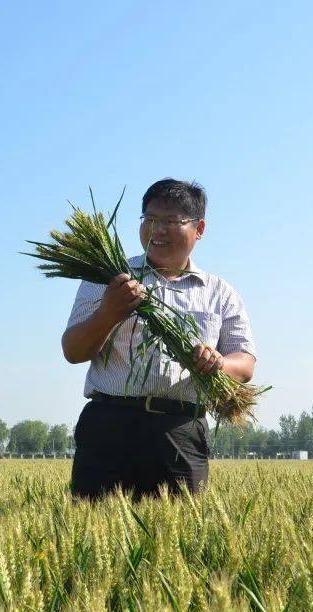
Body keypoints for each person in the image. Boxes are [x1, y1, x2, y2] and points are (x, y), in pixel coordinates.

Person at [62, 178, 257, 499]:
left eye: (170, 221)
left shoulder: (220, 294)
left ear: (199, 228)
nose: (157, 230)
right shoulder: (108, 277)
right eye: (149, 220)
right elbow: (72, 350)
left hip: (180, 432)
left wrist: (219, 363)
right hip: (108, 427)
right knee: (94, 537)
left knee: (178, 541)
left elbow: (245, 362)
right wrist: (110, 312)